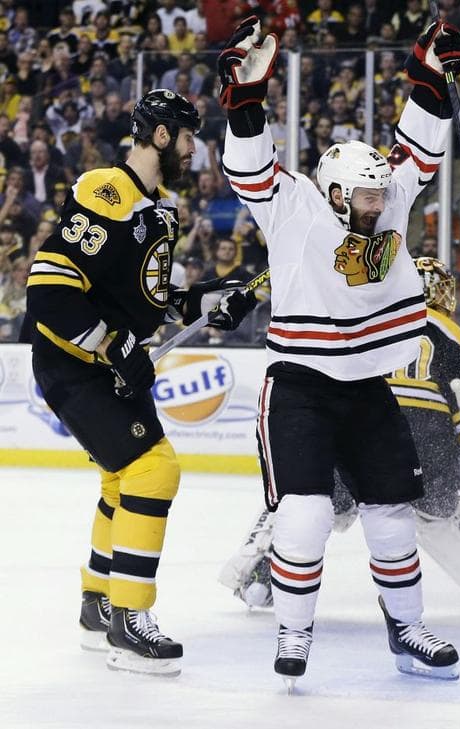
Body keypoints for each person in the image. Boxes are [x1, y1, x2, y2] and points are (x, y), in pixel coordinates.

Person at [217, 16, 460, 686]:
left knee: (391, 514)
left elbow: (417, 158)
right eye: (363, 192)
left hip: (365, 386)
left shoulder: (385, 206)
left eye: (378, 191)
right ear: (332, 192)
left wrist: (430, 79)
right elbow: (250, 163)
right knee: (304, 515)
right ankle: (294, 633)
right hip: (299, 386)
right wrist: (246, 97)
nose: (377, 200)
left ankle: (407, 628)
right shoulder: (292, 206)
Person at [24, 88, 257, 677]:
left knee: (122, 479)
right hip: (73, 365)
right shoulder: (111, 192)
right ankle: (130, 620)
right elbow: (49, 288)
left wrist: (200, 303)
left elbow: (142, 297)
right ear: (159, 136)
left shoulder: (160, 206)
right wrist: (111, 342)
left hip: (104, 367)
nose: (192, 149)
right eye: (185, 137)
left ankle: (97, 604)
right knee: (154, 469)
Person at [219, 257, 460, 614]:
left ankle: (259, 577)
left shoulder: (367, 317)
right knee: (444, 515)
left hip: (363, 422)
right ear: (444, 293)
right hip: (429, 436)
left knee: (311, 500)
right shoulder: (451, 332)